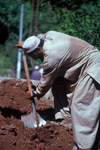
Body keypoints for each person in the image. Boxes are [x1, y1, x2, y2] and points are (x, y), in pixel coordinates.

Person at [15, 31, 100, 150]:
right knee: (58, 83)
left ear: (39, 50)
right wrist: (26, 44)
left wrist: (34, 93)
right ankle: (65, 120)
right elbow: (39, 37)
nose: (34, 59)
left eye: (33, 55)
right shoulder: (49, 36)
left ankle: (84, 146)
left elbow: (45, 83)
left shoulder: (51, 57)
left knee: (80, 104)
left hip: (93, 66)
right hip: (83, 65)